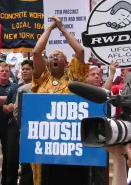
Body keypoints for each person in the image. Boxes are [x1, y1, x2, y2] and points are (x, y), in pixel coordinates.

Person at [31, 16, 89, 185]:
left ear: (66, 62)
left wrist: (62, 29)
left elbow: (80, 51)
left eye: (58, 56)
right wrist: (49, 28)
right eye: (51, 56)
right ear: (48, 62)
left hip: (68, 140)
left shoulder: (74, 77)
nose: (54, 58)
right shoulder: (42, 78)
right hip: (44, 139)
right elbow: (35, 52)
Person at [3, 60, 34, 185]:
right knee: (11, 160)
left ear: (34, 71)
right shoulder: (14, 88)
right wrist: (8, 107)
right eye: (23, 69)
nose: (24, 71)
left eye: (28, 69)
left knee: (27, 163)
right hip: (14, 127)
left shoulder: (39, 88)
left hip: (29, 129)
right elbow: (5, 107)